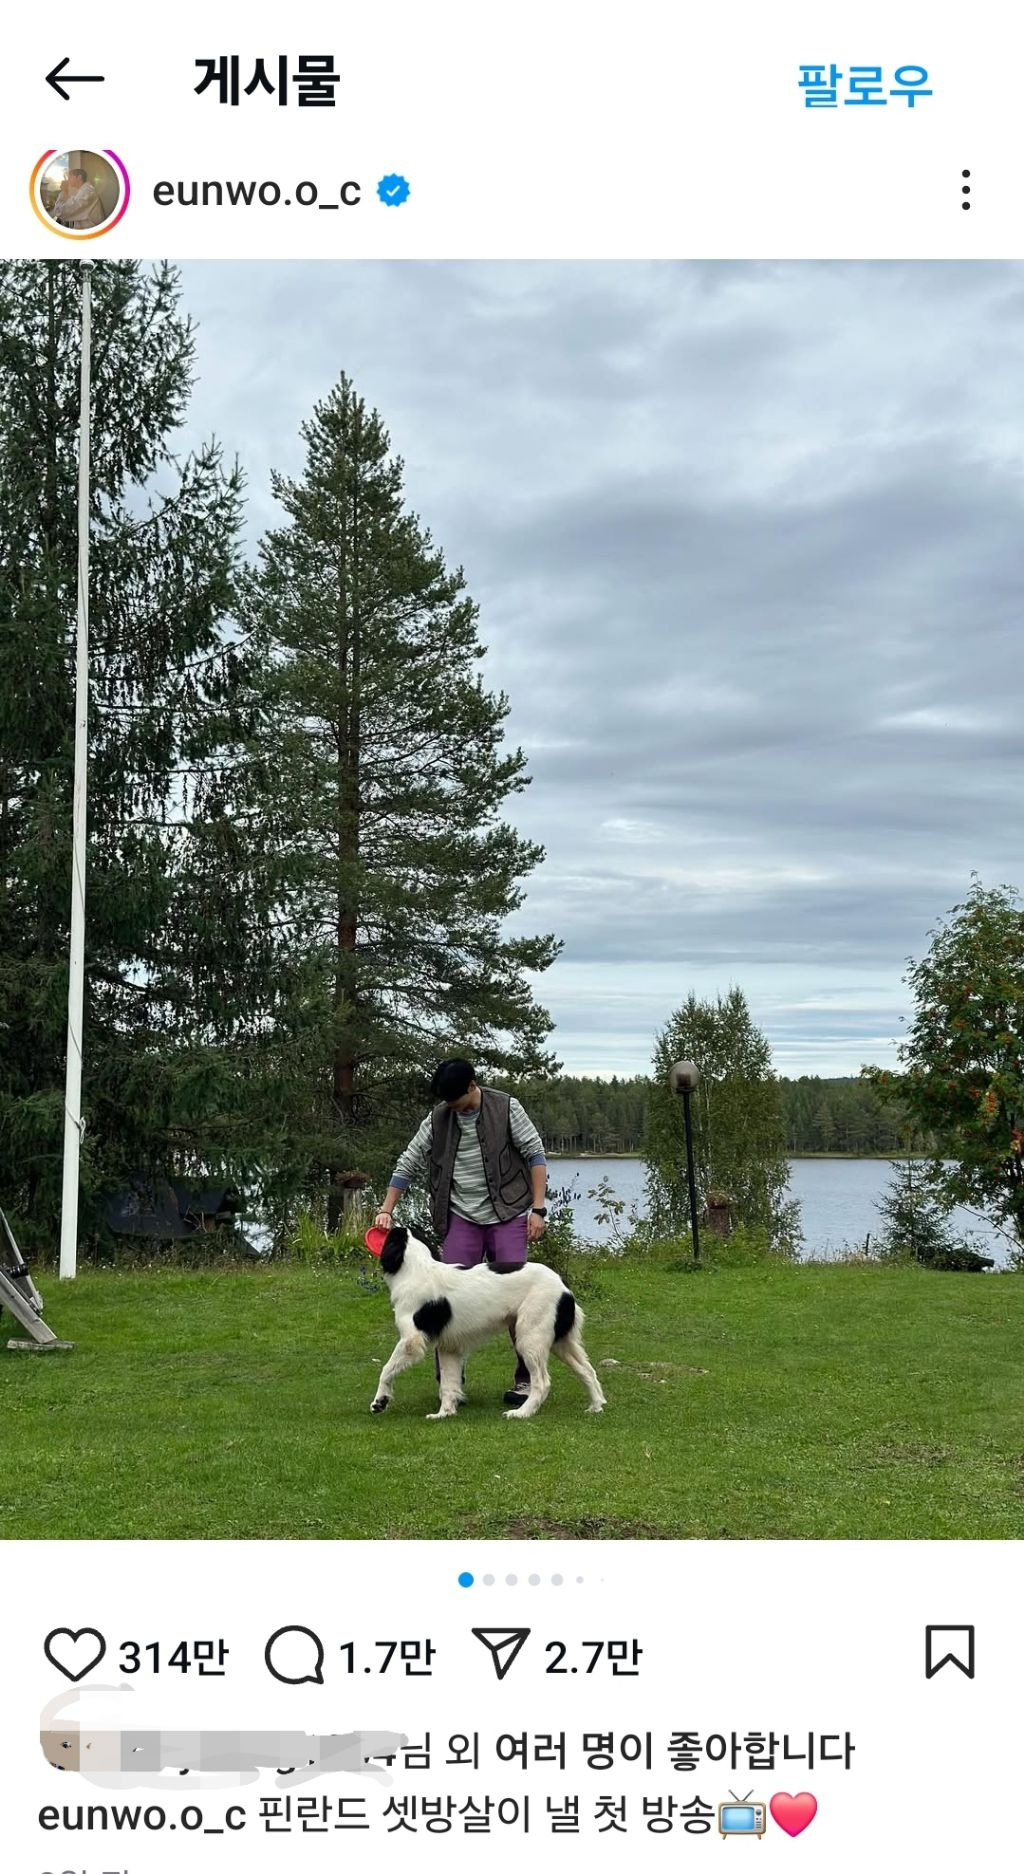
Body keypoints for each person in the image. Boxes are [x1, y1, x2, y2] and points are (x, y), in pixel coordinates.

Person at [375, 1059, 549, 1409]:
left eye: (455, 1101)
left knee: (516, 1300)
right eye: (446, 1103)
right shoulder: (438, 1118)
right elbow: (408, 1162)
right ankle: (450, 1387)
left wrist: (538, 1208)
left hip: (507, 1212)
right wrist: (386, 1208)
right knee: (448, 1300)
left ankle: (525, 1380)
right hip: (460, 1217)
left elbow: (535, 1154)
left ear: (472, 1086)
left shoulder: (506, 1107)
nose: (450, 1108)